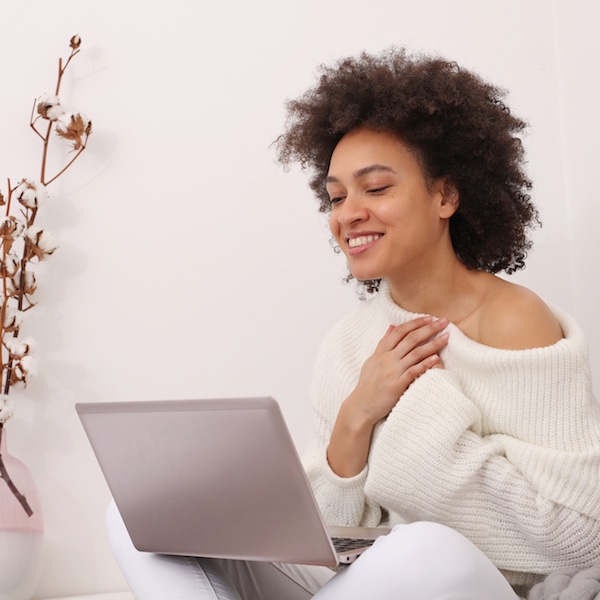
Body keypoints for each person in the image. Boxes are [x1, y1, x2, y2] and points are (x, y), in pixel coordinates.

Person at [106, 47, 600, 599]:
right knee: (140, 514)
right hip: (363, 581)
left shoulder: (513, 320)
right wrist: (355, 417)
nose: (348, 214)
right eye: (336, 196)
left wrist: (410, 410)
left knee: (422, 547)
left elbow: (578, 539)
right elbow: (328, 532)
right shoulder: (350, 343)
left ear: (447, 194)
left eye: (377, 188)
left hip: (468, 583)